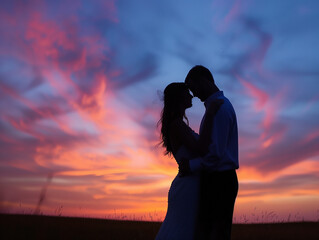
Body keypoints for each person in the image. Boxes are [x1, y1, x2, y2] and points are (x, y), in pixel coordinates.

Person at [155, 82, 223, 240]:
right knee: (182, 230)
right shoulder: (177, 125)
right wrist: (211, 114)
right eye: (187, 93)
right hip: (188, 186)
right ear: (179, 98)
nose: (191, 95)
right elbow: (201, 148)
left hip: (191, 183)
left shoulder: (179, 125)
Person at [181, 65, 239, 240]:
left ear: (204, 81)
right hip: (218, 180)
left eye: (194, 88)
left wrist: (189, 166)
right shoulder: (216, 107)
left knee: (214, 234)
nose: (194, 95)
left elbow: (214, 154)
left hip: (219, 181)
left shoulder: (220, 108)